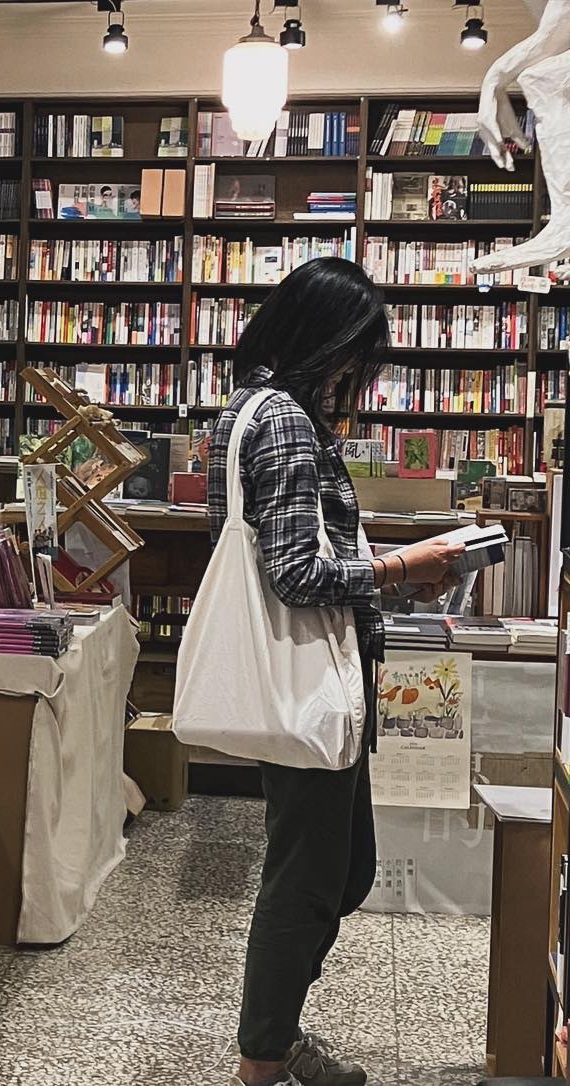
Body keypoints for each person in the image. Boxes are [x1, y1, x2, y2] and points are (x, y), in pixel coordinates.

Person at [206, 258, 464, 1086]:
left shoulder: (257, 409)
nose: (358, 378)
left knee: (339, 867)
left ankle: (274, 1035)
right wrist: (402, 567)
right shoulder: (280, 418)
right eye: (355, 358)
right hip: (307, 681)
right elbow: (294, 576)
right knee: (310, 876)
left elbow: (298, 555)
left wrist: (391, 564)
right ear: (322, 341)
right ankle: (265, 1055)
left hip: (318, 672)